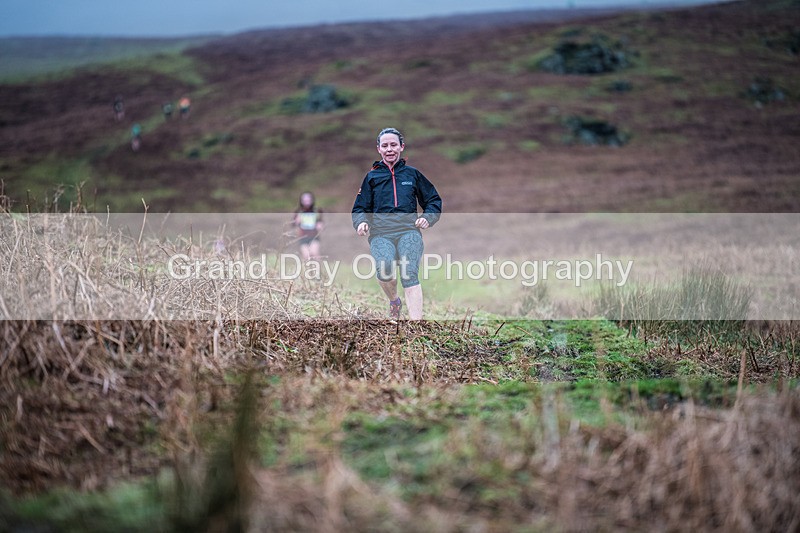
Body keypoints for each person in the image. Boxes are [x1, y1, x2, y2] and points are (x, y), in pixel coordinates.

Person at [352, 127, 442, 320]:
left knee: (409, 274)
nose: (389, 149)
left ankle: (416, 326)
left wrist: (428, 217)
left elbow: (433, 200)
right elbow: (360, 208)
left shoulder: (412, 175)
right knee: (385, 271)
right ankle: (394, 301)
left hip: (409, 231)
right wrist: (360, 222)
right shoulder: (371, 178)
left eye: (393, 145)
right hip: (380, 234)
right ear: (378, 149)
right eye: (385, 146)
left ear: (401, 146)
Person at [293, 191, 324, 261]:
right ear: (301, 201)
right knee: (306, 256)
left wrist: (320, 225)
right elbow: (293, 224)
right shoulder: (298, 211)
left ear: (312, 200)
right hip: (303, 236)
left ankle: (318, 270)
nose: (306, 202)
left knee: (314, 253)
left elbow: (320, 222)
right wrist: (297, 221)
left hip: (314, 236)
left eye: (308, 200)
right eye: (304, 200)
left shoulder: (317, 210)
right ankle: (307, 271)